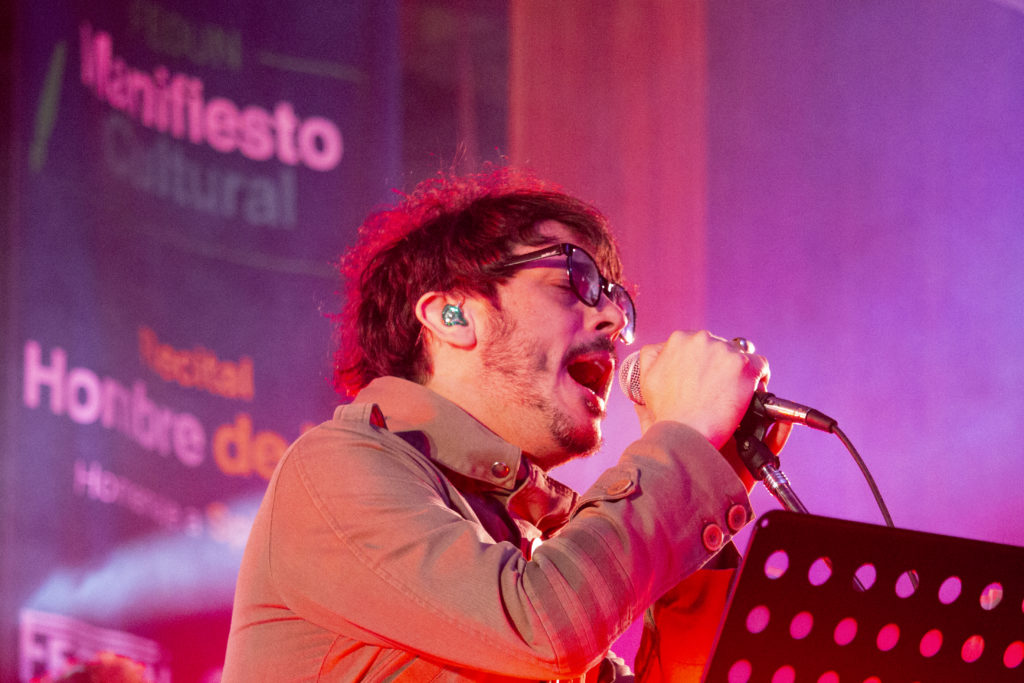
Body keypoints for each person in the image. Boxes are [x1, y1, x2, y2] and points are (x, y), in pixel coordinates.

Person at [222, 167, 781, 682]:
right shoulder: (336, 467)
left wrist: (705, 481)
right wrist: (679, 446)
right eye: (575, 279)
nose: (612, 320)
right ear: (452, 315)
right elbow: (542, 626)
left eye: (616, 301)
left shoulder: (525, 541)